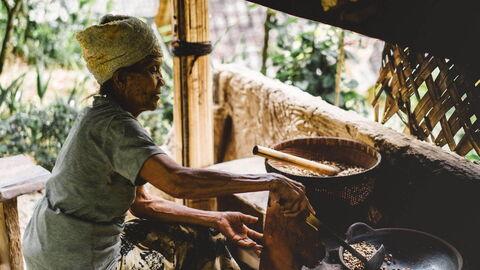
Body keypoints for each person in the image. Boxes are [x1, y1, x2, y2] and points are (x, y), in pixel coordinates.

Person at [22, 15, 313, 270]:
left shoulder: (102, 114)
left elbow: (143, 204)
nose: (160, 81)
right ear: (122, 79)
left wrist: (215, 218)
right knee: (204, 245)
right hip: (76, 261)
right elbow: (178, 181)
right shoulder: (116, 128)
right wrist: (270, 181)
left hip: (51, 244)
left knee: (203, 232)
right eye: (151, 70)